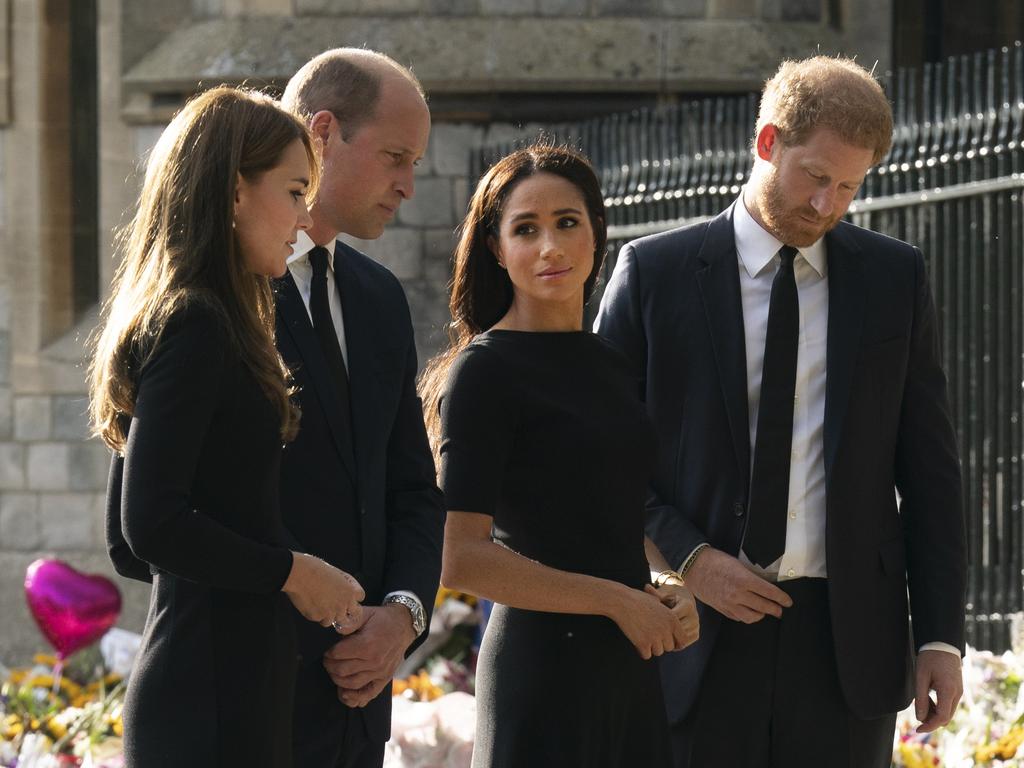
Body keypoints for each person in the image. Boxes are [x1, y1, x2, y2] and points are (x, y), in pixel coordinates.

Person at [595, 55, 968, 768]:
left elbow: (931, 471)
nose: (828, 204)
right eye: (815, 177)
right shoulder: (654, 274)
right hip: (692, 634)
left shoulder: (896, 278)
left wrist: (941, 639)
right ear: (767, 142)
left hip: (846, 645)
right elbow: (598, 458)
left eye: (850, 187)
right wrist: (691, 557)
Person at [90, 87, 366, 768]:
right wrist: (293, 572)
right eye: (295, 191)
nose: (304, 219)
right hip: (207, 707)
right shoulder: (196, 324)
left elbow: (132, 545)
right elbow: (147, 526)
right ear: (235, 191)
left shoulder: (207, 320)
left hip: (225, 691)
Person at [419, 144, 700, 768]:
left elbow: (614, 518)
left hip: (628, 668)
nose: (551, 246)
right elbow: (458, 557)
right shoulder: (483, 374)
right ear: (497, 248)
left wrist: (662, 581)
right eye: (526, 229)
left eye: (567, 223)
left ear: (597, 232)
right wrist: (615, 598)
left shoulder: (610, 365)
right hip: (539, 673)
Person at [276, 49, 445, 768]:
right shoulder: (217, 296)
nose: (408, 186)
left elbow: (411, 488)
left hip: (357, 708)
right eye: (396, 157)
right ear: (322, 134)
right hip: (245, 701)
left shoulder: (378, 300)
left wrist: (399, 619)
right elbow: (152, 524)